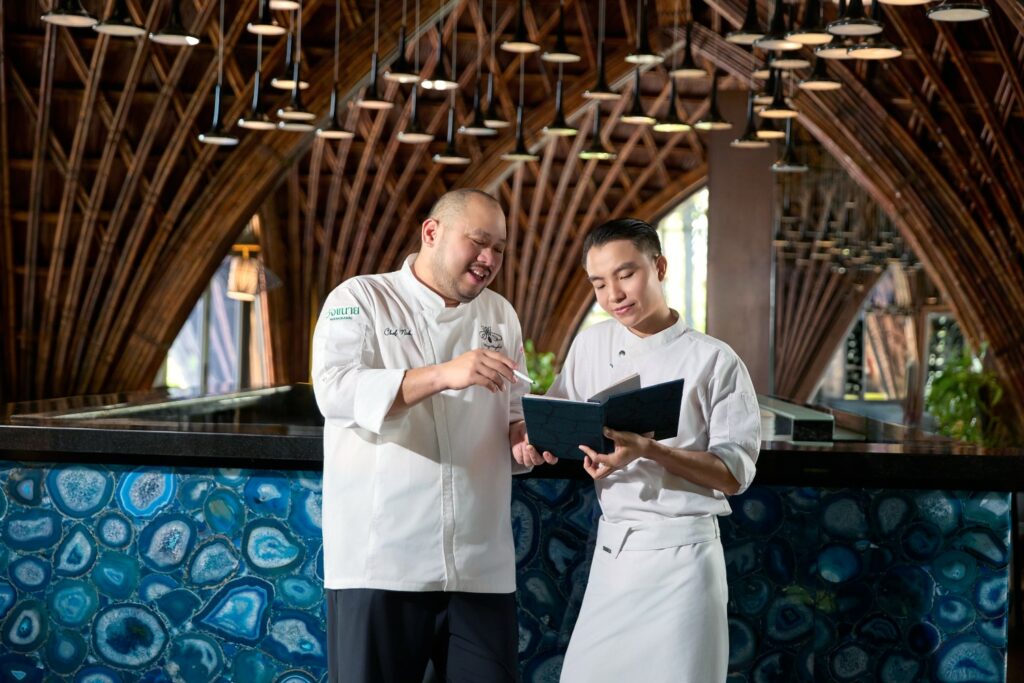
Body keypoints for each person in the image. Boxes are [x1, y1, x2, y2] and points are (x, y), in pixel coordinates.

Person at [312, 188, 555, 683]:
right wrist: (444, 374)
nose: (489, 259)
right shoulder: (360, 299)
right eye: (478, 242)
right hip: (381, 562)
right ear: (431, 232)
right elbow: (334, 392)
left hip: (481, 567)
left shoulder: (500, 315)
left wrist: (525, 439)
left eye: (499, 249)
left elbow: (512, 414)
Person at [524, 218, 761, 682]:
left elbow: (734, 475)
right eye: (598, 283)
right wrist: (540, 442)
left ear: (660, 267)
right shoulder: (591, 345)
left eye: (626, 274)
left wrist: (649, 450)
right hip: (614, 555)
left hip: (685, 558)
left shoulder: (715, 360)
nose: (613, 294)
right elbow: (557, 416)